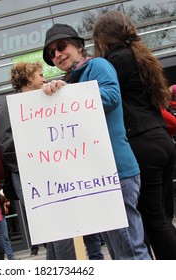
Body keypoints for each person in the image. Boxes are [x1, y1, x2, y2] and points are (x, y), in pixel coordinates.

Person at [42, 23, 151, 260]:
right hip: (96, 178)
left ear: (79, 47)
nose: (57, 54)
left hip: (116, 171)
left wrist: (66, 95)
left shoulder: (98, 66)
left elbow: (111, 97)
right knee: (119, 252)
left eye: (61, 47)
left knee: (130, 250)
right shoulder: (69, 82)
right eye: (51, 53)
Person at [93, 11, 176, 259]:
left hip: (140, 143)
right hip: (162, 141)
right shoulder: (140, 55)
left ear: (102, 39)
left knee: (153, 223)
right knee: (162, 218)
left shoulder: (111, 63)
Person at [0, 61, 75, 259]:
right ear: (28, 79)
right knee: (56, 228)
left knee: (56, 229)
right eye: (39, 75)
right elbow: (7, 147)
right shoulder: (6, 109)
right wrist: (35, 163)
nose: (44, 79)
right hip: (30, 176)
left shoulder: (44, 100)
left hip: (49, 173)